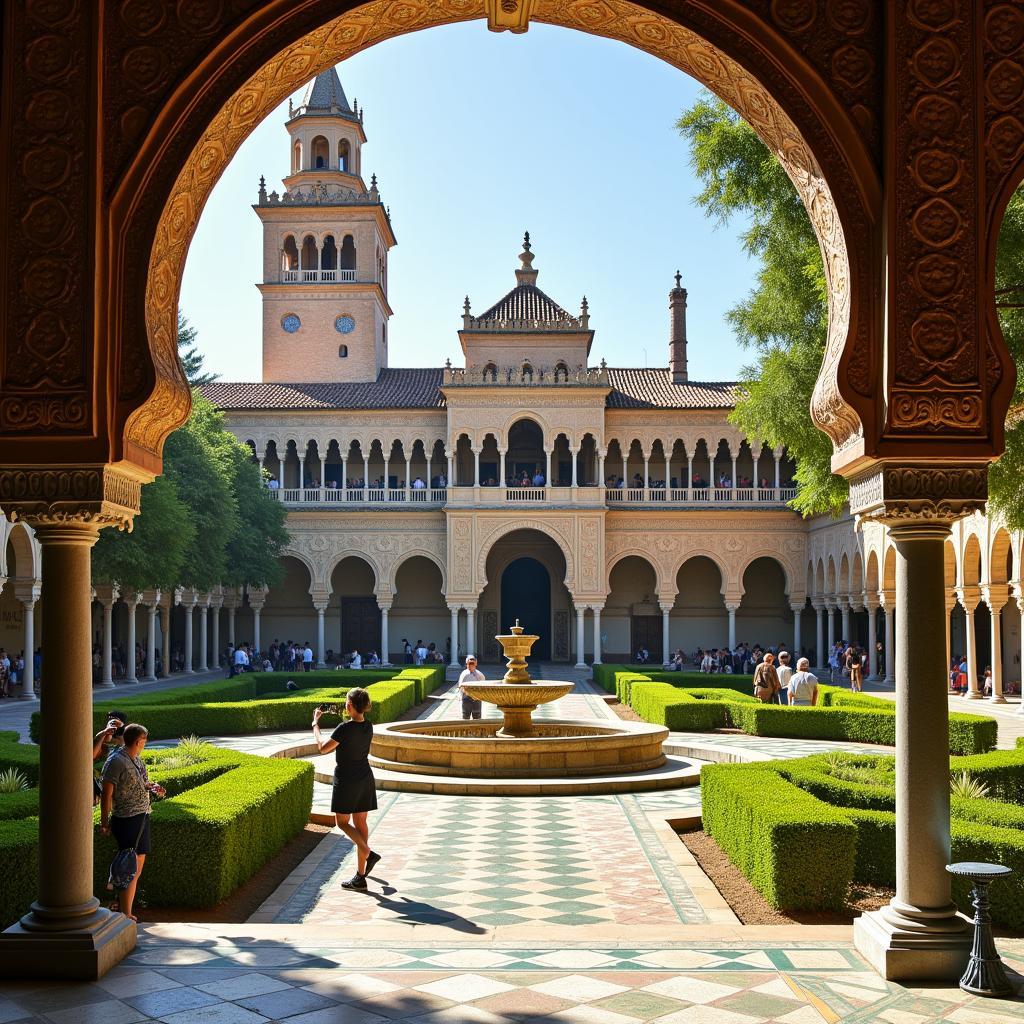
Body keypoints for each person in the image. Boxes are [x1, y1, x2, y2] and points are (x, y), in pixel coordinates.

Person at [312, 689, 380, 890]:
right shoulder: (368, 726)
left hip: (347, 779)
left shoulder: (343, 728)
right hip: (365, 778)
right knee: (361, 824)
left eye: (346, 702)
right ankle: (360, 876)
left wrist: (315, 724)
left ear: (350, 706)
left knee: (342, 822)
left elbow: (322, 747)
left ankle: (369, 854)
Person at [99, 723, 165, 920]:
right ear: (138, 741)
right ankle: (125, 912)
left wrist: (151, 786)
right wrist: (104, 823)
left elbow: (139, 783)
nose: (145, 744)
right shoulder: (116, 761)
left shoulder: (135, 760)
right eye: (144, 741)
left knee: (135, 867)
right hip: (127, 819)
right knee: (130, 866)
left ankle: (126, 909)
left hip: (141, 817)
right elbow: (106, 794)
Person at [458, 654, 485, 720]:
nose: (471, 665)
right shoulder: (464, 674)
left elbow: (483, 685)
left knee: (477, 716)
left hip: (477, 697)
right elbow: (460, 686)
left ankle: (477, 730)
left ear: (476, 664)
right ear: (466, 664)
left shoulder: (479, 674)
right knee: (466, 716)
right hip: (466, 697)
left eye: (472, 663)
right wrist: (461, 696)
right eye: (469, 663)